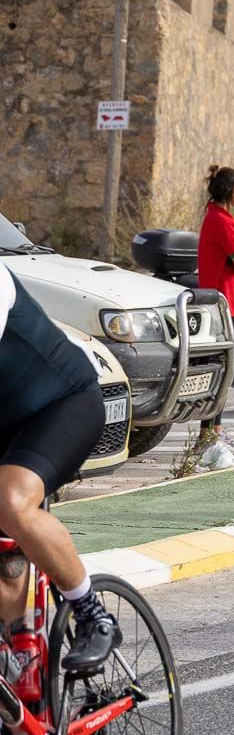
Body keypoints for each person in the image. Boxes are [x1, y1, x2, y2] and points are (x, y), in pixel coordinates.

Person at [0, 261, 122, 672]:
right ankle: (23, 673)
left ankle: (91, 612)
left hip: (63, 404)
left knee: (11, 501)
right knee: (6, 558)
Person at [198, 165, 234, 442]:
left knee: (219, 371)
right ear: (233, 192)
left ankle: (210, 433)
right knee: (225, 372)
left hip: (219, 302)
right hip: (226, 305)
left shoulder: (213, 217)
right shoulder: (223, 221)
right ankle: (211, 434)